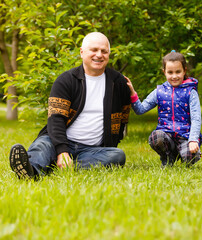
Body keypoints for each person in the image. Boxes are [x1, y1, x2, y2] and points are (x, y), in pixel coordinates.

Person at [9, 32, 131, 180]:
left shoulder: (118, 83)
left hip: (93, 150)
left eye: (104, 51)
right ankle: (31, 170)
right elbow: (55, 119)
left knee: (117, 156)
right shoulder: (66, 80)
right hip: (58, 142)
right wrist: (62, 151)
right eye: (94, 50)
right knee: (42, 146)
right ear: (82, 52)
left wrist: (112, 142)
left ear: (109, 54)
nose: (99, 55)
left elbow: (123, 118)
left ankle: (55, 167)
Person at [126, 51, 202, 167]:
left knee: (191, 155)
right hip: (167, 136)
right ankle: (168, 158)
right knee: (156, 137)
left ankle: (185, 153)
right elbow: (140, 110)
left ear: (184, 71)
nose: (174, 76)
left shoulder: (190, 92)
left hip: (185, 136)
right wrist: (132, 92)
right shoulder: (159, 91)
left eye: (178, 72)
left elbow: (196, 118)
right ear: (164, 72)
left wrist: (193, 140)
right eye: (170, 72)